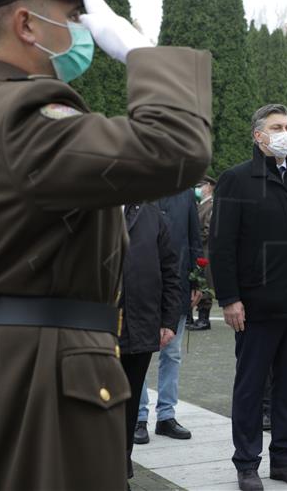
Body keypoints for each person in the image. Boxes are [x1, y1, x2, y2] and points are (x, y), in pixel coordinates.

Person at [0, 0, 212, 489]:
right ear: (26, 25)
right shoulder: (25, 116)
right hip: (38, 383)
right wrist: (140, 50)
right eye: (75, 17)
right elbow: (177, 148)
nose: (87, 30)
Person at [209, 104, 287, 491]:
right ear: (258, 136)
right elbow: (221, 245)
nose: (285, 133)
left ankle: (284, 459)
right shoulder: (237, 180)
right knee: (251, 387)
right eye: (277, 127)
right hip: (256, 306)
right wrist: (229, 298)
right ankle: (247, 463)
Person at [119, 202, 182, 482]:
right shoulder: (92, 209)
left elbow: (170, 270)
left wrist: (168, 320)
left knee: (129, 405)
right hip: (98, 327)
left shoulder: (153, 216)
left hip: (142, 324)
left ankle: (121, 470)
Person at [135, 189, 203, 443]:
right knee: (137, 353)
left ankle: (166, 415)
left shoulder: (184, 193)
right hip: (141, 287)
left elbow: (194, 237)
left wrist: (198, 280)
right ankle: (138, 416)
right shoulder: (135, 190)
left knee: (172, 353)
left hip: (178, 284)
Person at [189, 175, 217, 331]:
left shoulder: (212, 205)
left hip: (205, 250)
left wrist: (192, 238)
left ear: (208, 186)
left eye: (200, 186)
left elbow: (207, 230)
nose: (198, 189)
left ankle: (204, 319)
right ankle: (195, 316)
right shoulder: (200, 205)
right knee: (198, 280)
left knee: (204, 281)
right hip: (197, 249)